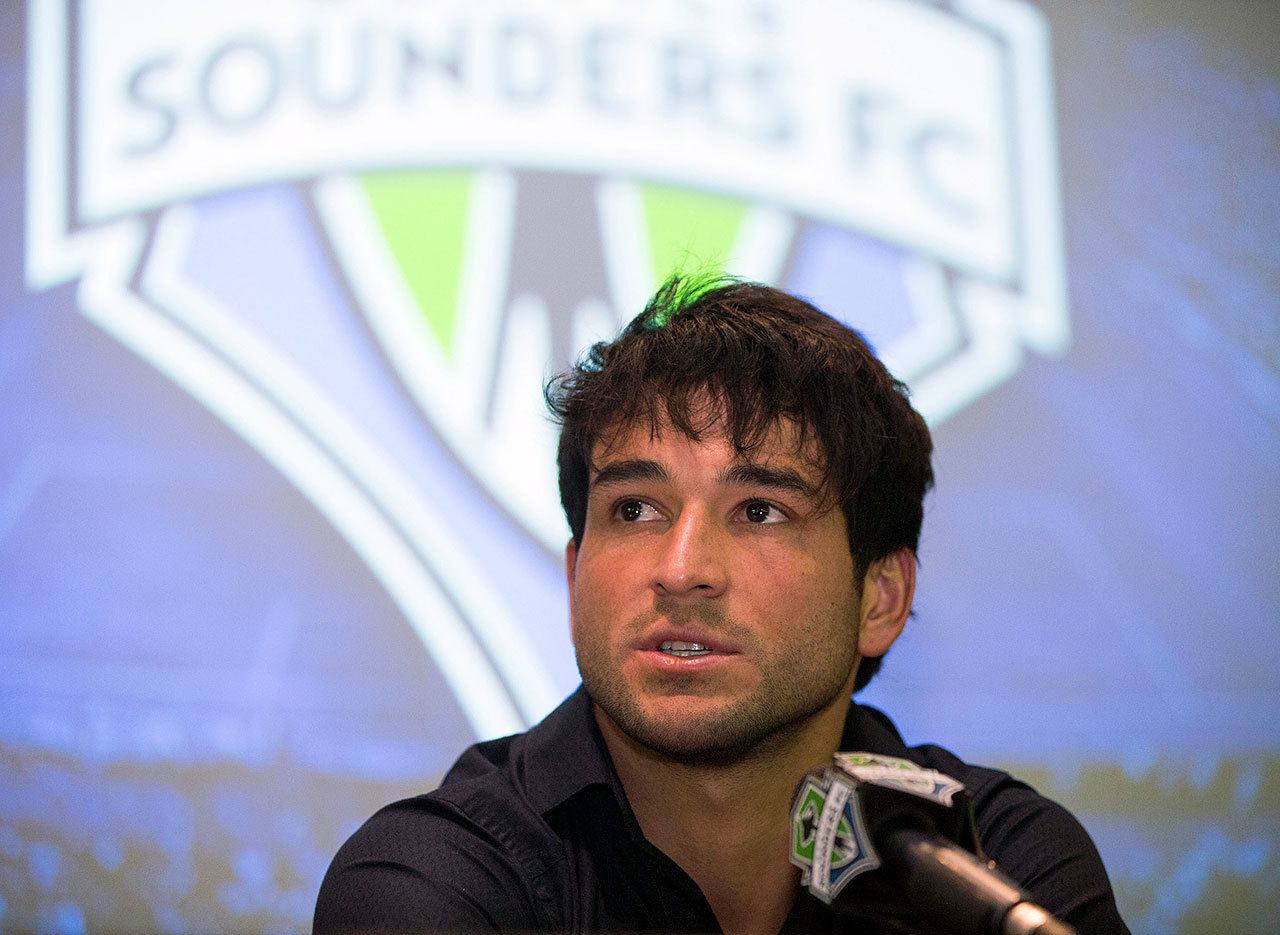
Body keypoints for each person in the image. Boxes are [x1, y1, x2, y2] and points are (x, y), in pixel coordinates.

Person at [314, 275, 1129, 934]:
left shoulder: (999, 869)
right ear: (575, 575)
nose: (680, 569)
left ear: (880, 598)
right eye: (634, 509)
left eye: (760, 511)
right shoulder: (434, 879)